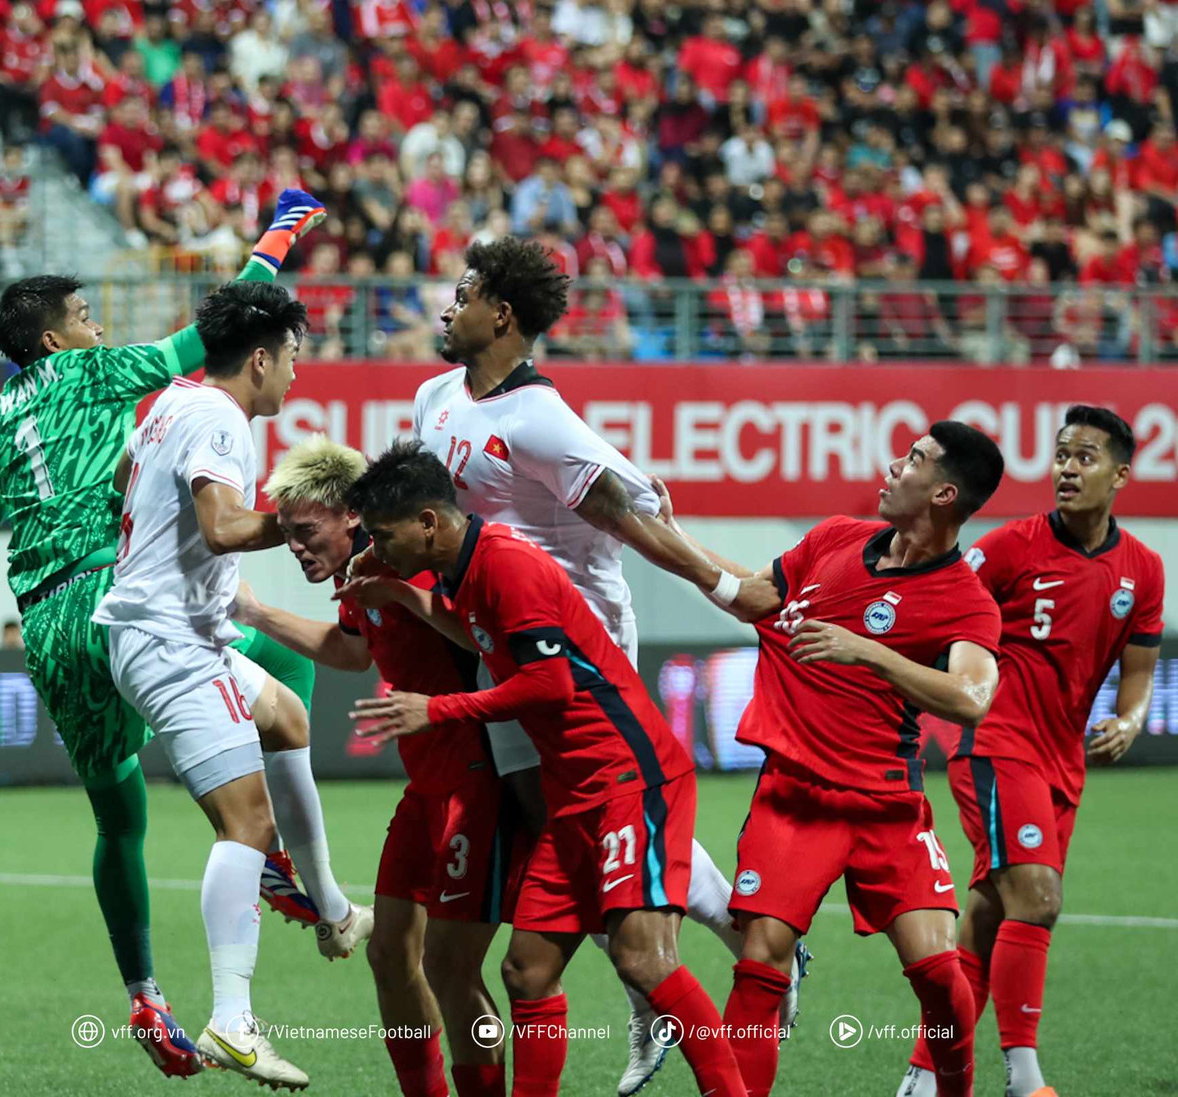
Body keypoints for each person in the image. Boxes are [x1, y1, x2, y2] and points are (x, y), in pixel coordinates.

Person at [412, 236, 804, 1094]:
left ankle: (687, 957)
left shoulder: (539, 418)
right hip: (496, 637)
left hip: (580, 641)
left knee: (587, 809)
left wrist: (725, 583)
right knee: (548, 816)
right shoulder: (434, 397)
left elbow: (634, 511)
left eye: (465, 292)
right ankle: (672, 960)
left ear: (501, 315)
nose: (448, 307)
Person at [0, 190, 331, 1078]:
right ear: (53, 339)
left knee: (117, 813)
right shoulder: (93, 375)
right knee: (282, 659)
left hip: (49, 624)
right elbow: (217, 334)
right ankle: (274, 852)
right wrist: (277, 240)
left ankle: (145, 994)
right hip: (117, 598)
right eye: (85, 318)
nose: (97, 329)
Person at [343, 440, 750, 1097]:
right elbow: (475, 634)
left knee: (641, 958)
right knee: (527, 970)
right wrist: (401, 591)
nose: (376, 547)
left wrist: (439, 708)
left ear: (427, 521)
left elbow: (551, 683)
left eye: (384, 537)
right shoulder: (459, 569)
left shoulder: (504, 564)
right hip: (573, 791)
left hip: (628, 774)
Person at [672, 421, 1007, 1097]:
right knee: (762, 959)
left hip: (886, 804)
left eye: (913, 458)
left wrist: (870, 651)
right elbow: (754, 592)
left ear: (944, 493)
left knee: (941, 972)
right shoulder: (836, 538)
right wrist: (666, 533)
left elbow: (972, 696)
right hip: (794, 798)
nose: (893, 464)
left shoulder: (966, 600)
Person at [92, 281, 323, 1088]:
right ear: (259, 358)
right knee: (248, 825)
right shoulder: (222, 418)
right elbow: (225, 526)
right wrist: (306, 520)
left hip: (170, 628)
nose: (296, 374)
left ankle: (329, 905)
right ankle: (233, 1022)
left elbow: (124, 479)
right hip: (170, 640)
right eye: (292, 357)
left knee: (287, 715)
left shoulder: (172, 398)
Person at [897, 406, 1165, 1097]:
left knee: (990, 918)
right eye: (1061, 455)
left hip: (1060, 759)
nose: (1069, 468)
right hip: (993, 740)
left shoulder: (1143, 568)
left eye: (1085, 456)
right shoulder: (1009, 547)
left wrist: (1131, 718)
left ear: (1121, 474)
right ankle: (1024, 1077)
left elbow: (1138, 670)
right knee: (1038, 898)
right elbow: (938, 604)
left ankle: (924, 1078)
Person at [240, 436, 516, 1097]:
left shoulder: (406, 563)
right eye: (287, 535)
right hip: (429, 786)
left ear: (350, 514)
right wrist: (254, 613)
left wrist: (398, 591)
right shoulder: (360, 577)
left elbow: (483, 636)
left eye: (306, 531)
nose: (296, 546)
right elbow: (353, 649)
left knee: (456, 968)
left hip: (479, 779)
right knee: (389, 953)